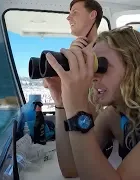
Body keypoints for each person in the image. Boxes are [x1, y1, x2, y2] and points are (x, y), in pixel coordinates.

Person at [46, 26, 140, 179]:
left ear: (133, 67)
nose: (92, 76)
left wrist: (77, 108)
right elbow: (71, 168)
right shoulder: (113, 115)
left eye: (100, 66)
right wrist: (62, 102)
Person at [43, 0, 105, 177]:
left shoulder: (106, 54)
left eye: (75, 12)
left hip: (92, 130)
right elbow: (47, 83)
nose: (68, 17)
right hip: (75, 131)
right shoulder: (77, 50)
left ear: (92, 15)